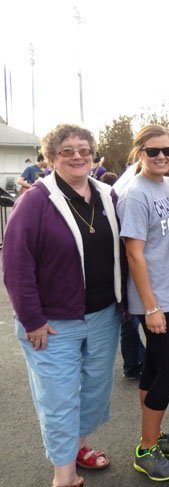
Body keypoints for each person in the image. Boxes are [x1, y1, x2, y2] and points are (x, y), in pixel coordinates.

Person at [3, 124, 123, 487]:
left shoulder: (106, 195)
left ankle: (78, 447)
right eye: (67, 150)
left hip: (104, 315)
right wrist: (32, 320)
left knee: (94, 389)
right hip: (52, 323)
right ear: (51, 157)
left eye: (84, 149)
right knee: (59, 398)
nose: (77, 156)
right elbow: (15, 265)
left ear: (93, 155)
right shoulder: (36, 201)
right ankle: (64, 476)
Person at [117, 124, 169, 481]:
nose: (161, 157)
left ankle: (153, 436)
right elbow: (134, 255)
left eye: (168, 151)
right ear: (139, 153)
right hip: (155, 299)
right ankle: (146, 448)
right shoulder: (135, 194)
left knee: (153, 368)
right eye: (153, 152)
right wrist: (150, 307)